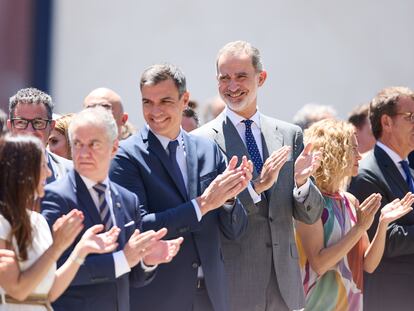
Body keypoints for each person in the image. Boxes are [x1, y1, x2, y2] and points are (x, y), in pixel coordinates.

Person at [193, 40, 324, 311]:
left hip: (285, 285)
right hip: (234, 285)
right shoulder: (201, 141)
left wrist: (301, 182)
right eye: (224, 78)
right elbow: (209, 217)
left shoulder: (289, 134)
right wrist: (255, 188)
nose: (232, 86)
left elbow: (309, 215)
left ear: (261, 78)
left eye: (241, 76)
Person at [110, 63, 250, 311]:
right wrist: (203, 204)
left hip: (212, 297)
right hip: (157, 299)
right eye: (147, 102)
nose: (155, 111)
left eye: (165, 101)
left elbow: (235, 230)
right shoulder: (126, 156)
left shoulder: (207, 149)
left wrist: (228, 198)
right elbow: (140, 226)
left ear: (184, 99)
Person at [41, 107, 183, 311]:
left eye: (93, 144)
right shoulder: (55, 197)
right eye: (78, 144)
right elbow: (52, 270)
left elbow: (130, 277)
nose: (83, 153)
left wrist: (147, 261)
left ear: (114, 147)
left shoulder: (128, 200)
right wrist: (123, 259)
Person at [295, 119, 413, 310]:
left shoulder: (349, 200)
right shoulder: (309, 200)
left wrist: (383, 224)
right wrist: (359, 228)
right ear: (334, 152)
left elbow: (368, 265)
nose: (359, 156)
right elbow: (319, 264)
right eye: (353, 149)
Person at [0, 134, 120, 310]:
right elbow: (18, 291)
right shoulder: (2, 221)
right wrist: (56, 247)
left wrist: (80, 250)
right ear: (23, 170)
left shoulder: (38, 221)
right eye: (42, 165)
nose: (48, 173)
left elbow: (49, 292)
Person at [348, 86, 414, 310]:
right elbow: (383, 240)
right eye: (410, 117)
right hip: (391, 296)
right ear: (386, 122)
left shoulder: (408, 169)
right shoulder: (367, 174)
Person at [7, 87, 72, 183]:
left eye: (38, 123)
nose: (30, 131)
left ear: (51, 126)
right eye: (21, 122)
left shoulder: (71, 174)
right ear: (10, 126)